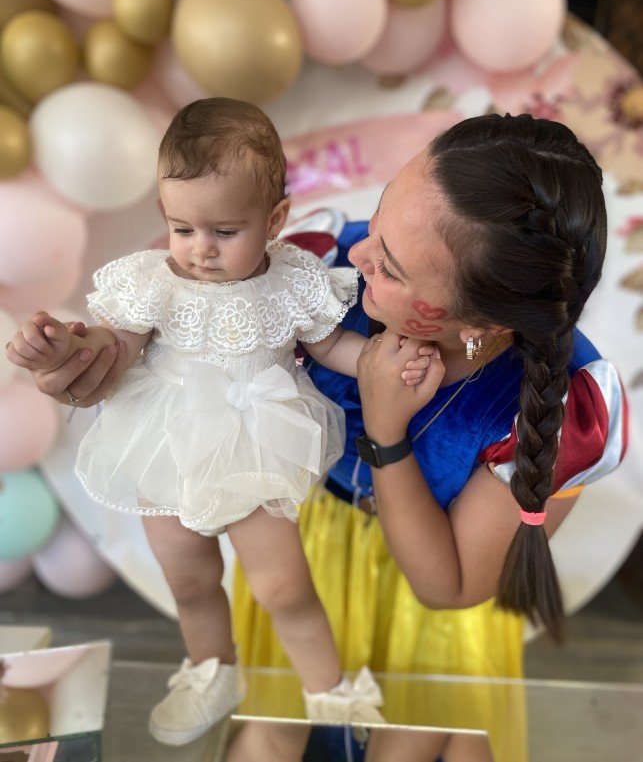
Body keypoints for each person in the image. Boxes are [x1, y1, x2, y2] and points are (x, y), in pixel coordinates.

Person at [12, 113, 628, 762]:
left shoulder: (567, 406)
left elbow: (447, 586)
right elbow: (145, 354)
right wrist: (77, 371)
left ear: (480, 321)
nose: (360, 255)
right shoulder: (320, 263)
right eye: (380, 217)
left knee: (429, 742)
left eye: (388, 265)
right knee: (274, 730)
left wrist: (386, 426)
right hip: (305, 541)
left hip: (428, 604)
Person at [6, 98, 433, 748]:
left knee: (282, 583)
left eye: (223, 232)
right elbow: (112, 347)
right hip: (166, 439)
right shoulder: (153, 281)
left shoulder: (292, 280)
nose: (199, 250)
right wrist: (67, 347)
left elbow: (327, 348)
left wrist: (379, 360)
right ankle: (210, 669)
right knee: (187, 574)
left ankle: (329, 690)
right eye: (182, 228)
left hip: (255, 441)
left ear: (275, 220)